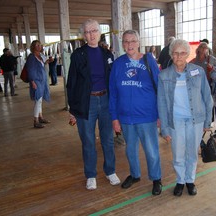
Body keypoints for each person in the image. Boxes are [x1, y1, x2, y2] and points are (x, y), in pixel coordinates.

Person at [66, 19, 120, 190]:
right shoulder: (78, 55)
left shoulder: (107, 55)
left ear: (99, 32)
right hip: (86, 102)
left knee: (108, 139)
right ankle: (90, 174)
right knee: (88, 141)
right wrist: (73, 110)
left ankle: (110, 170)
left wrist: (115, 105)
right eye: (87, 32)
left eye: (94, 31)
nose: (91, 35)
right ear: (84, 35)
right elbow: (72, 83)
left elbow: (113, 82)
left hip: (105, 100)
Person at [109, 30, 162, 196]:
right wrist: (114, 118)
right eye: (126, 41)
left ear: (138, 42)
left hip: (147, 116)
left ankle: (156, 178)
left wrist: (160, 114)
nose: (129, 44)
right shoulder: (118, 64)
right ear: (122, 44)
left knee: (151, 150)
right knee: (130, 149)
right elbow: (113, 93)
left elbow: (159, 88)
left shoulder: (149, 61)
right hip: (125, 117)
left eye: (132, 41)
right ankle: (135, 175)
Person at [157, 39, 213, 197]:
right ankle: (180, 180)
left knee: (192, 152)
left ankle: (190, 180)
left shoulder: (198, 71)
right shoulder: (164, 75)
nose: (179, 56)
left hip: (196, 119)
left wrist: (208, 121)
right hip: (176, 121)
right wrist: (165, 128)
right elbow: (161, 103)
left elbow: (207, 97)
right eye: (175, 53)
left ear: (188, 54)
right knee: (178, 152)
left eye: (182, 53)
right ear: (171, 55)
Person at [26, 40, 51, 128]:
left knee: (40, 100)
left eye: (40, 45)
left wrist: (49, 61)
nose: (39, 46)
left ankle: (40, 117)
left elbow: (44, 63)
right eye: (37, 45)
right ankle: (35, 120)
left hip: (42, 80)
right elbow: (30, 70)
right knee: (38, 99)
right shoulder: (31, 57)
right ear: (33, 47)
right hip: (36, 80)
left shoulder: (41, 56)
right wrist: (32, 81)